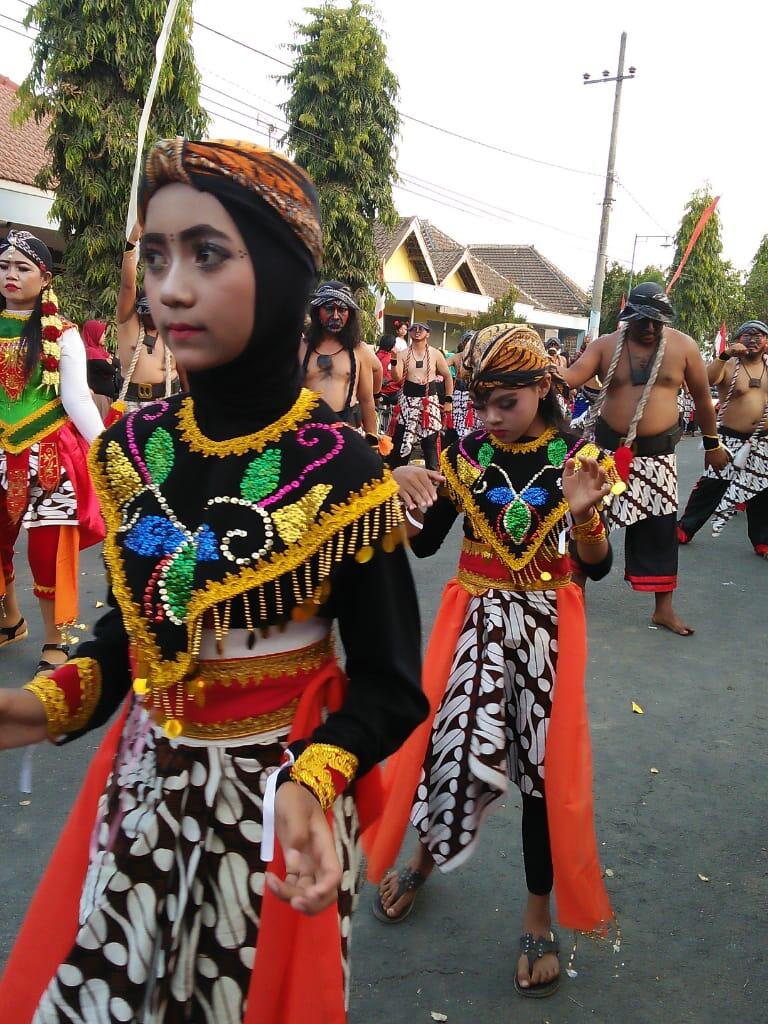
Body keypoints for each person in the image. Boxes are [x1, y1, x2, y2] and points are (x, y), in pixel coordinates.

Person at [0, 139, 428, 1024]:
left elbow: (389, 685)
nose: (171, 287)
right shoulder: (130, 449)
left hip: (275, 820)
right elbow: (132, 635)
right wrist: (39, 706)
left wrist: (317, 778)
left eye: (207, 253)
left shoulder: (344, 470)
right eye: (155, 256)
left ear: (278, 271)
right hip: (141, 789)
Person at [367, 323, 618, 999]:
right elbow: (424, 549)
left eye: (505, 402)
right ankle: (424, 857)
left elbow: (596, 566)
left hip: (544, 634)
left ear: (543, 387)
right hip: (474, 627)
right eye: (481, 404)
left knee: (540, 772)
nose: (491, 419)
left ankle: (538, 911)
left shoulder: (579, 457)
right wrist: (407, 499)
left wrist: (587, 516)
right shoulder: (462, 453)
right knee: (447, 747)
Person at [564, 281, 728, 636]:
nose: (650, 327)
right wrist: (545, 369)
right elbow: (571, 377)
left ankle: (663, 610)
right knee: (586, 521)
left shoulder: (683, 347)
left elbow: (702, 397)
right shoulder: (606, 346)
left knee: (660, 531)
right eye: (643, 320)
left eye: (657, 321)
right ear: (629, 317)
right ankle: (574, 597)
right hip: (606, 454)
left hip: (658, 457)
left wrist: (713, 444)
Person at [0, 230, 104, 670]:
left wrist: (107, 449)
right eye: (4, 266)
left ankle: (55, 639)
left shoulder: (63, 334)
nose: (10, 275)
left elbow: (77, 399)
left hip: (50, 456)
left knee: (47, 550)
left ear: (44, 279)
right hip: (0, 452)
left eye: (22, 268)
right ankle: (10, 619)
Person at [678, 320, 768, 554]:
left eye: (759, 335)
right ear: (738, 340)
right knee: (713, 484)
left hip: (762, 439)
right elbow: (705, 381)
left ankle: (762, 540)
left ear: (766, 341)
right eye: (747, 334)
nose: (753, 339)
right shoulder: (729, 365)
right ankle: (685, 527)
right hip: (730, 438)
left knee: (761, 489)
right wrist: (725, 355)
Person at [117, 223, 182, 412]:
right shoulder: (128, 321)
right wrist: (132, 243)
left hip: (168, 399)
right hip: (130, 402)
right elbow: (128, 286)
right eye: (147, 311)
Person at [300, 281, 378, 433]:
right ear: (317, 312)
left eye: (342, 310)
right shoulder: (300, 348)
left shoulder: (360, 350)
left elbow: (367, 400)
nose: (336, 316)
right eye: (329, 309)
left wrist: (373, 440)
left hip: (348, 432)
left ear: (350, 314)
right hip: (307, 432)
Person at [387, 322, 453, 470]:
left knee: (430, 442)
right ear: (409, 332)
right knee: (402, 440)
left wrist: (448, 400)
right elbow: (397, 378)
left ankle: (433, 478)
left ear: (428, 333)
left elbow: (448, 377)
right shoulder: (403, 354)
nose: (417, 331)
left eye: (420, 329)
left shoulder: (435, 354)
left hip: (429, 401)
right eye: (413, 329)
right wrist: (394, 358)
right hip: (408, 400)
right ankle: (397, 476)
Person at [81, 319, 119, 421]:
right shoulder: (91, 352)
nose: (104, 336)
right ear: (94, 334)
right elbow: (111, 369)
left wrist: (110, 361)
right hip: (99, 399)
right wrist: (109, 362)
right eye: (102, 334)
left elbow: (118, 363)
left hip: (106, 398)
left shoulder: (100, 351)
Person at [450, 329, 476, 440]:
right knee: (458, 421)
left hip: (474, 393)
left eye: (471, 340)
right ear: (463, 342)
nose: (468, 343)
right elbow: (442, 365)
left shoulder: (479, 357)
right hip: (459, 393)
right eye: (467, 340)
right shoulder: (456, 357)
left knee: (474, 424)